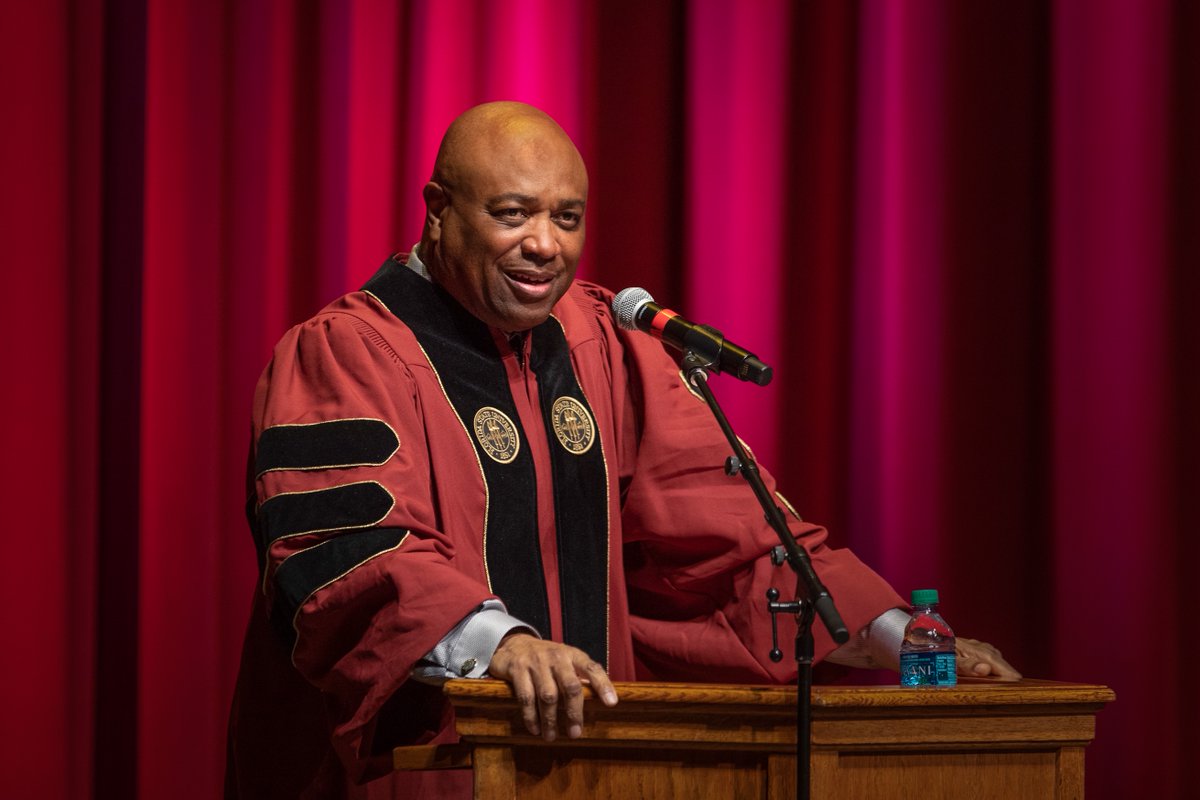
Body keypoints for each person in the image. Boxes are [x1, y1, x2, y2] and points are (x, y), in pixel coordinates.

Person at [224, 101, 1018, 799]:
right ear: (438, 211)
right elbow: (349, 554)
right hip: (414, 776)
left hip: (592, 772)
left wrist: (891, 634)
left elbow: (733, 539)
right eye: (512, 214)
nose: (545, 245)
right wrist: (502, 645)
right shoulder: (348, 353)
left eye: (567, 218)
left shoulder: (602, 344)